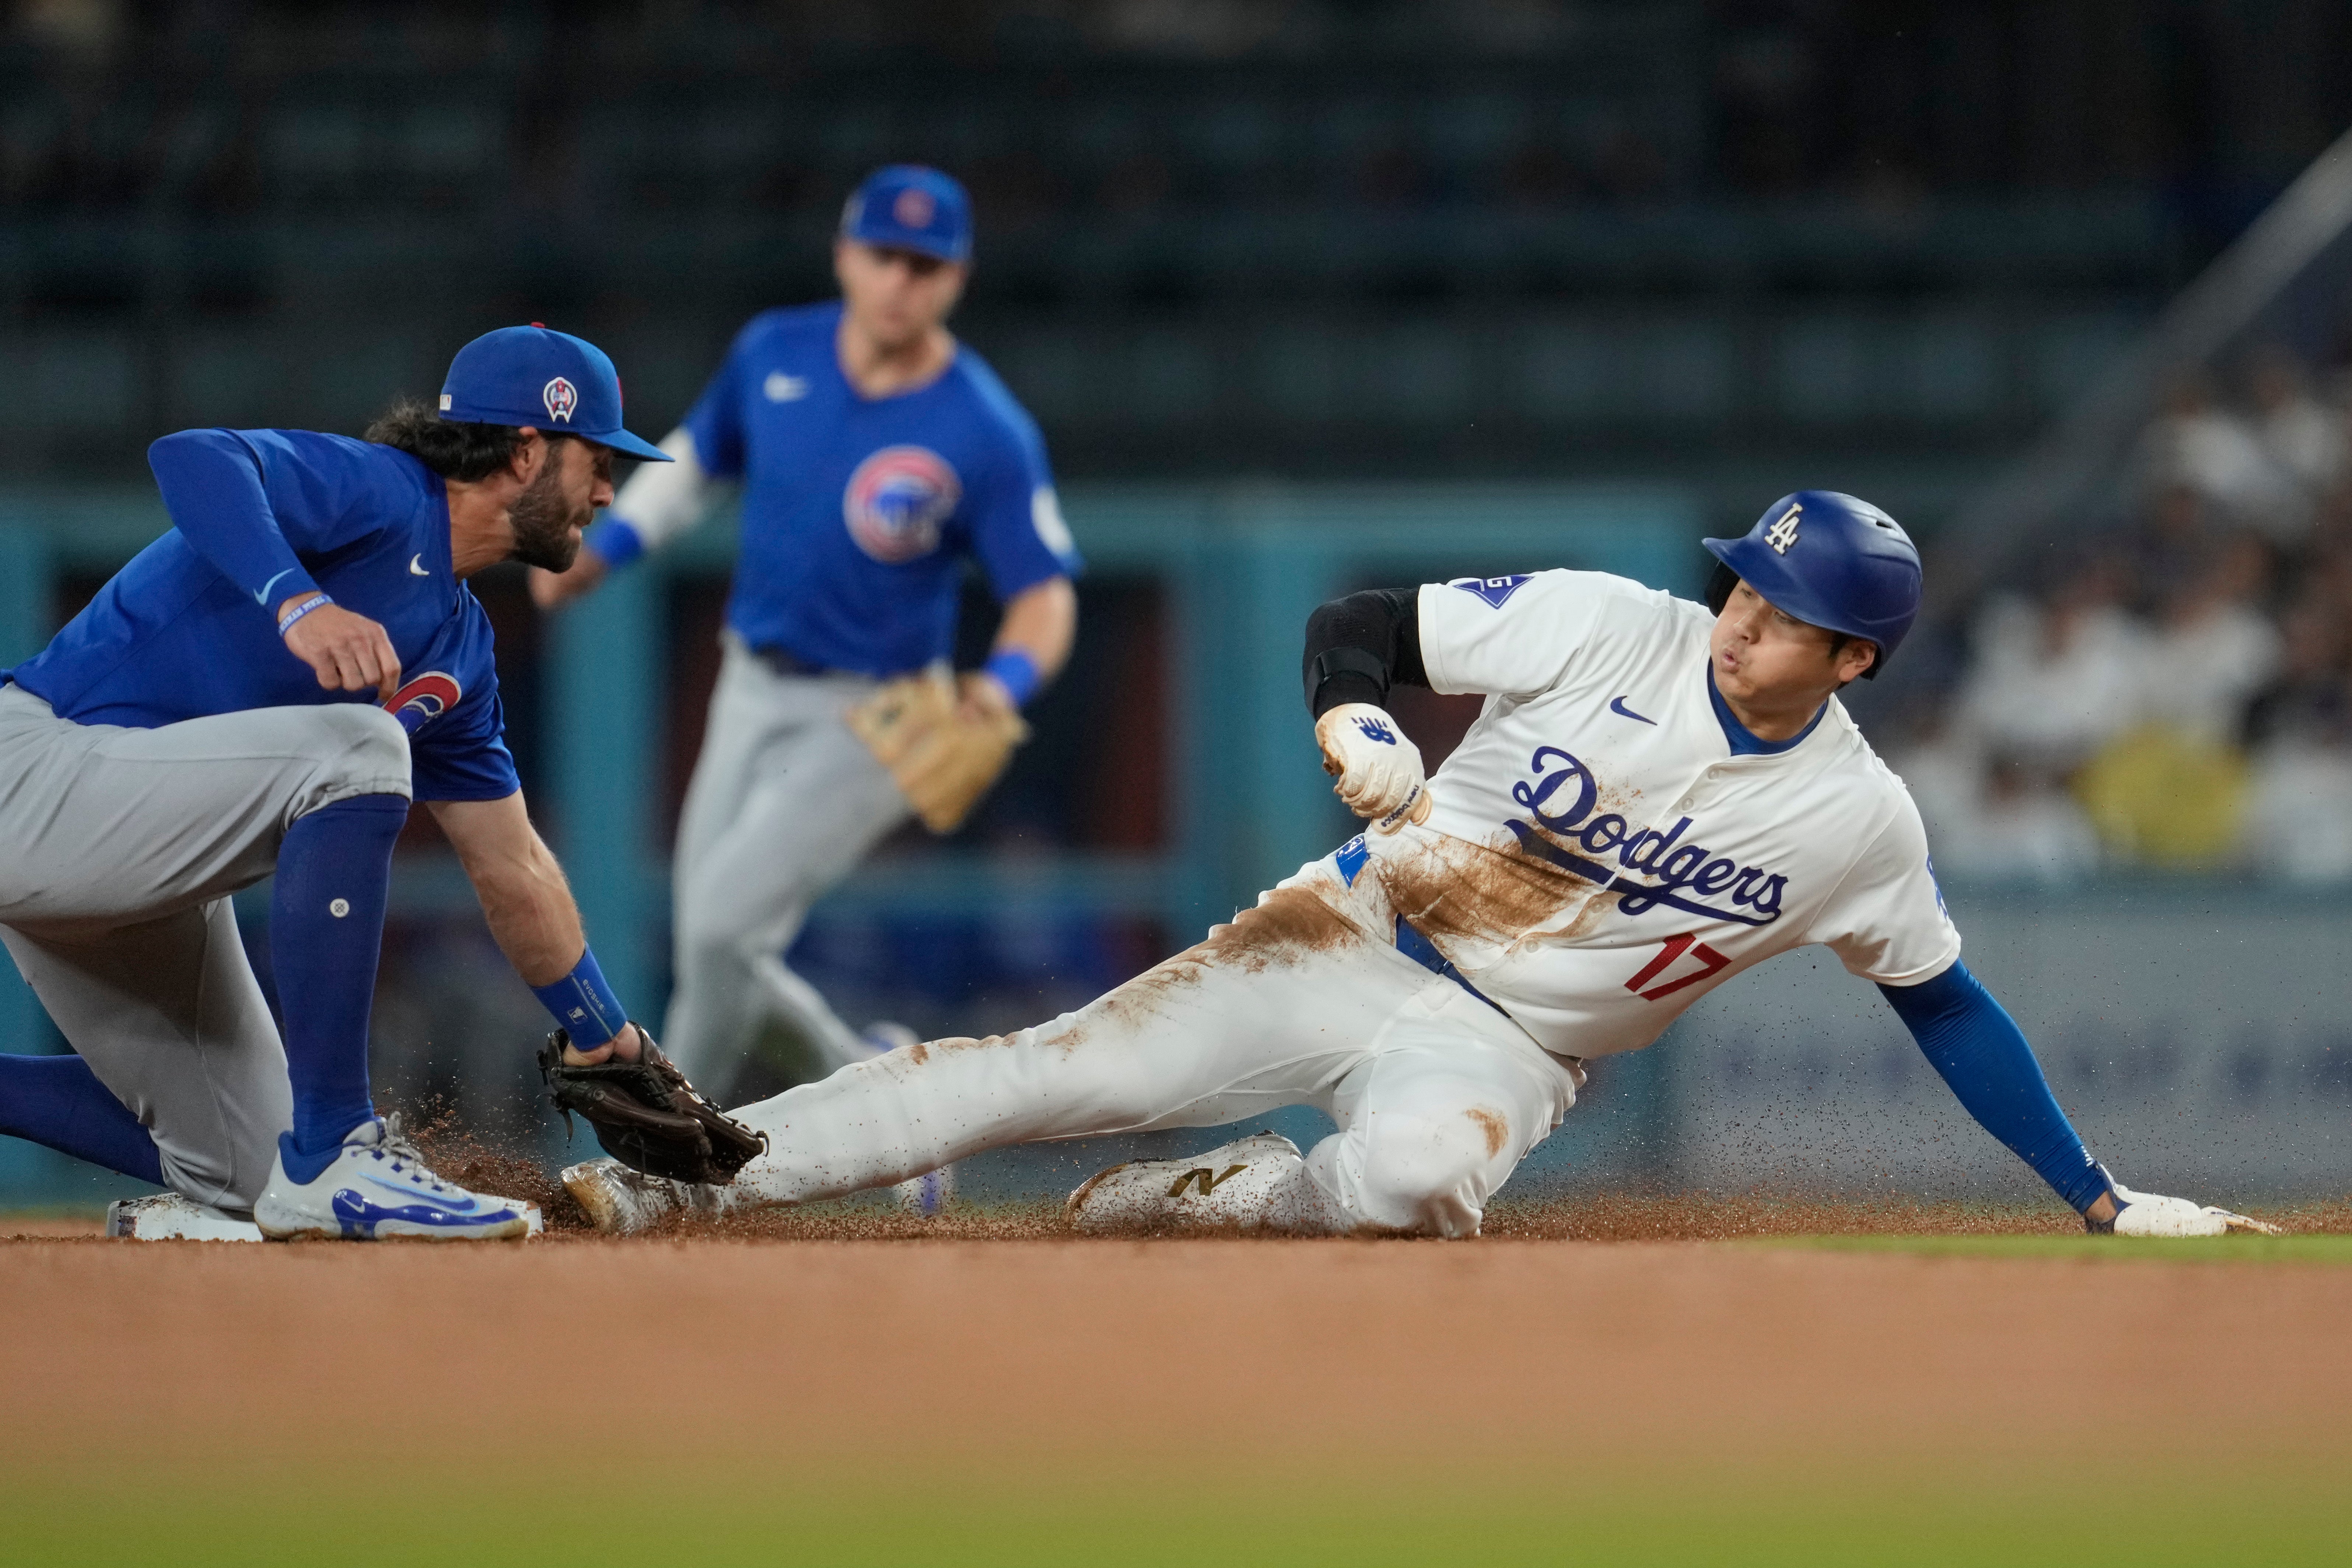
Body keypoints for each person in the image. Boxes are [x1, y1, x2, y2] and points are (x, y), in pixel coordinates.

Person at [563, 491, 2272, 1241]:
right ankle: (664, 1183)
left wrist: (2101, 1199)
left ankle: (1230, 1200)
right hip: (1345, 930)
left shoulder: (1861, 828)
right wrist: (1354, 722)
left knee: (1404, 1195)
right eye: (1747, 587)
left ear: (1858, 663)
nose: (1745, 618)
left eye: (1787, 615)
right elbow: (1360, 622)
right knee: (1025, 1080)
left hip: (1508, 1055)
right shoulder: (1620, 623)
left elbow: (1950, 1009)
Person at [0, 325, 700, 1241]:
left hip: (139, 861)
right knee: (363, 749)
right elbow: (196, 457)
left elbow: (512, 864)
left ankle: (303, 1157)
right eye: (597, 458)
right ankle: (337, 1149)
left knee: (250, 1173)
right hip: (40, 772)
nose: (609, 489)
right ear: (527, 450)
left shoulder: (461, 649)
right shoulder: (384, 492)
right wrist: (301, 603)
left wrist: (601, 1030)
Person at [531, 164, 1082, 1101]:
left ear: (957, 279)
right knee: (716, 937)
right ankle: (882, 1087)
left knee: (716, 932)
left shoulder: (984, 426)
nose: (901, 281)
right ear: (844, 255)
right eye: (884, 256)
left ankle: (670, 1158)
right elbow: (697, 458)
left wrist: (1001, 684)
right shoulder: (774, 351)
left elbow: (1046, 594)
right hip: (748, 683)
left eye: (926, 264)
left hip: (875, 716)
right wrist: (610, 546)